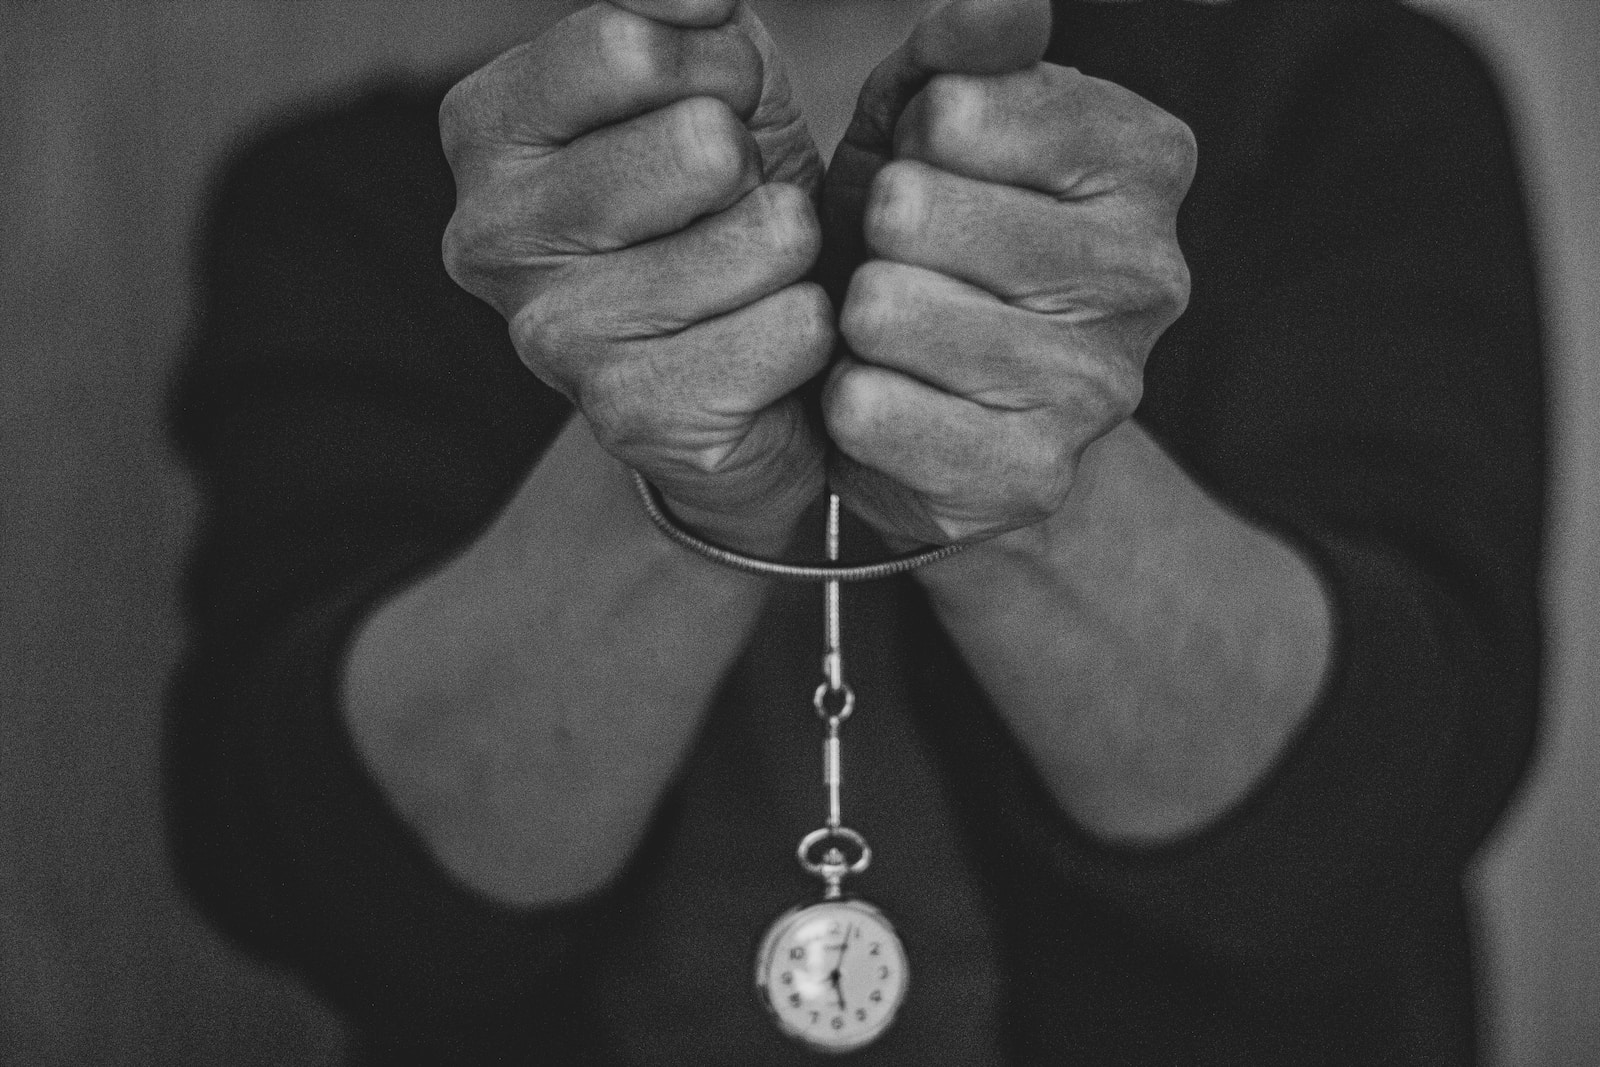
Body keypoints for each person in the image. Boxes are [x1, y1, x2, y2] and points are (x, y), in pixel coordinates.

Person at [165, 0, 1545, 1061]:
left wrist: (1021, 467)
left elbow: (1394, 797)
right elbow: (310, 872)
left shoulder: (1343, 94)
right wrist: (681, 467)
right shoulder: (345, 201)